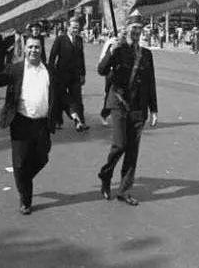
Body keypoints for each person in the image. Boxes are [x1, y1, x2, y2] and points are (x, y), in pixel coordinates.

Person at [0, 35, 56, 215]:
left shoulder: (48, 70)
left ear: (42, 50)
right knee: (20, 163)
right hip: (21, 122)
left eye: (37, 47)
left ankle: (23, 180)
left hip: (41, 124)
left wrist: (74, 112)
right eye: (30, 47)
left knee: (42, 157)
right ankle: (26, 200)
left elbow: (59, 93)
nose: (34, 50)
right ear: (25, 49)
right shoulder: (16, 70)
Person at [97, 11, 158, 206]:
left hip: (138, 107)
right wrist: (111, 51)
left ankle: (124, 190)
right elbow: (102, 70)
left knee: (132, 151)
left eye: (139, 29)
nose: (137, 32)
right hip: (118, 103)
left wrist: (154, 109)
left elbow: (150, 83)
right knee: (120, 145)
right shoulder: (118, 48)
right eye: (134, 28)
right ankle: (106, 175)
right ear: (127, 30)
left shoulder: (146, 54)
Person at [48, 17, 88, 132]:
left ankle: (81, 122)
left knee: (78, 99)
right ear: (68, 27)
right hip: (61, 75)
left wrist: (83, 74)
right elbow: (52, 57)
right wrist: (51, 73)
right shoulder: (60, 39)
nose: (75, 29)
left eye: (77, 27)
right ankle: (58, 121)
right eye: (73, 27)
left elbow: (81, 58)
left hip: (75, 75)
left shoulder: (79, 40)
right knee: (60, 98)